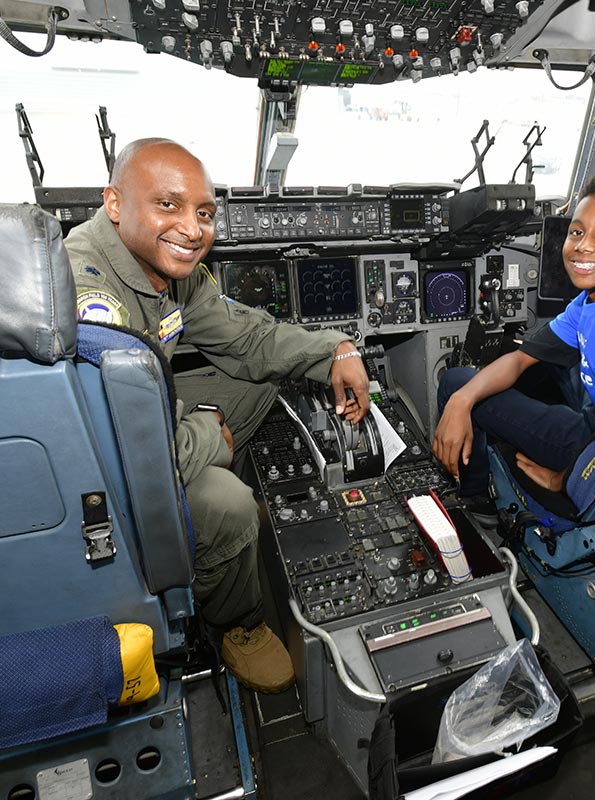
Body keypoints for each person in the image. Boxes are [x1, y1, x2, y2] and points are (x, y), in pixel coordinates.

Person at [65, 138, 370, 693]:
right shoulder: (91, 302)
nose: (192, 228)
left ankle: (215, 520)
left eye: (204, 213)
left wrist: (335, 350)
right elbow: (126, 456)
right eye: (168, 206)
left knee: (257, 380)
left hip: (148, 419)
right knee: (229, 507)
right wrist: (207, 435)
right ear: (114, 204)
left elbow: (247, 339)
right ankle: (234, 621)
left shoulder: (170, 268)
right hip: (95, 470)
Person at [433, 171, 595, 509]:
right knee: (488, 379)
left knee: (454, 380)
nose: (584, 245)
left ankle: (476, 504)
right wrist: (462, 401)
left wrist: (564, 480)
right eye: (577, 231)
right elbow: (523, 358)